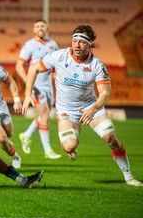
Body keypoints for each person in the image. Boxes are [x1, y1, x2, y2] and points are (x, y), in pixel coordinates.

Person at [22, 25, 143, 187]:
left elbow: (105, 93)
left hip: (91, 106)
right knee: (70, 146)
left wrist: (92, 109)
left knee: (112, 139)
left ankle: (129, 177)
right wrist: (27, 94)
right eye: (75, 41)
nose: (77, 45)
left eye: (82, 42)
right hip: (66, 109)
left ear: (90, 45)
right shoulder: (59, 56)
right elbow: (34, 69)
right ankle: (72, 137)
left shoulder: (97, 65)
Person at [15, 19, 62, 159]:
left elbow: (58, 63)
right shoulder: (29, 45)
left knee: (43, 116)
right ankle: (48, 151)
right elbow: (19, 65)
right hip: (36, 87)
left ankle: (26, 135)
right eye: (37, 26)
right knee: (46, 116)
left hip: (48, 87)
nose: (40, 28)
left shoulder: (52, 44)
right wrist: (29, 82)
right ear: (34, 29)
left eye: (42, 25)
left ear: (47, 28)